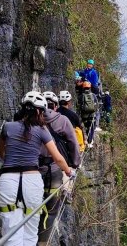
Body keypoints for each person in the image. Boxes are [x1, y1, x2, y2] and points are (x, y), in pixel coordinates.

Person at [0, 91, 74, 246]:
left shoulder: (7, 127)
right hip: (32, 181)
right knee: (31, 231)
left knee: (10, 229)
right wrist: (68, 171)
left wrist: (12, 163)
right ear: (39, 111)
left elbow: (1, 152)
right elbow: (58, 158)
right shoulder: (42, 130)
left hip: (7, 181)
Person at [38, 92, 81, 244]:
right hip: (55, 168)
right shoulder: (62, 120)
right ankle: (42, 241)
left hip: (31, 168)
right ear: (55, 106)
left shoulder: (30, 120)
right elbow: (73, 143)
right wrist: (75, 164)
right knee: (51, 209)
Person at [78, 81, 98, 146]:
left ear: (83, 87)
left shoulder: (81, 96)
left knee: (86, 127)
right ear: (90, 87)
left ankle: (86, 140)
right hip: (92, 114)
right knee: (91, 127)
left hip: (84, 115)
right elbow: (96, 104)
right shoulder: (93, 95)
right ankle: (90, 141)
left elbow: (78, 105)